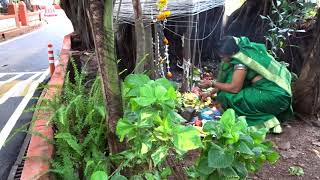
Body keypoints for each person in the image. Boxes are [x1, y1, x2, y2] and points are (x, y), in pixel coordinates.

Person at [199, 36, 293, 133]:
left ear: (231, 54)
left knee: (228, 97)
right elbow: (228, 82)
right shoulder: (243, 49)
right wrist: (210, 92)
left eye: (222, 57)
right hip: (279, 91)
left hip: (274, 96)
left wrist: (211, 83)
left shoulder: (241, 62)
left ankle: (267, 122)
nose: (221, 59)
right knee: (226, 93)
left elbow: (234, 88)